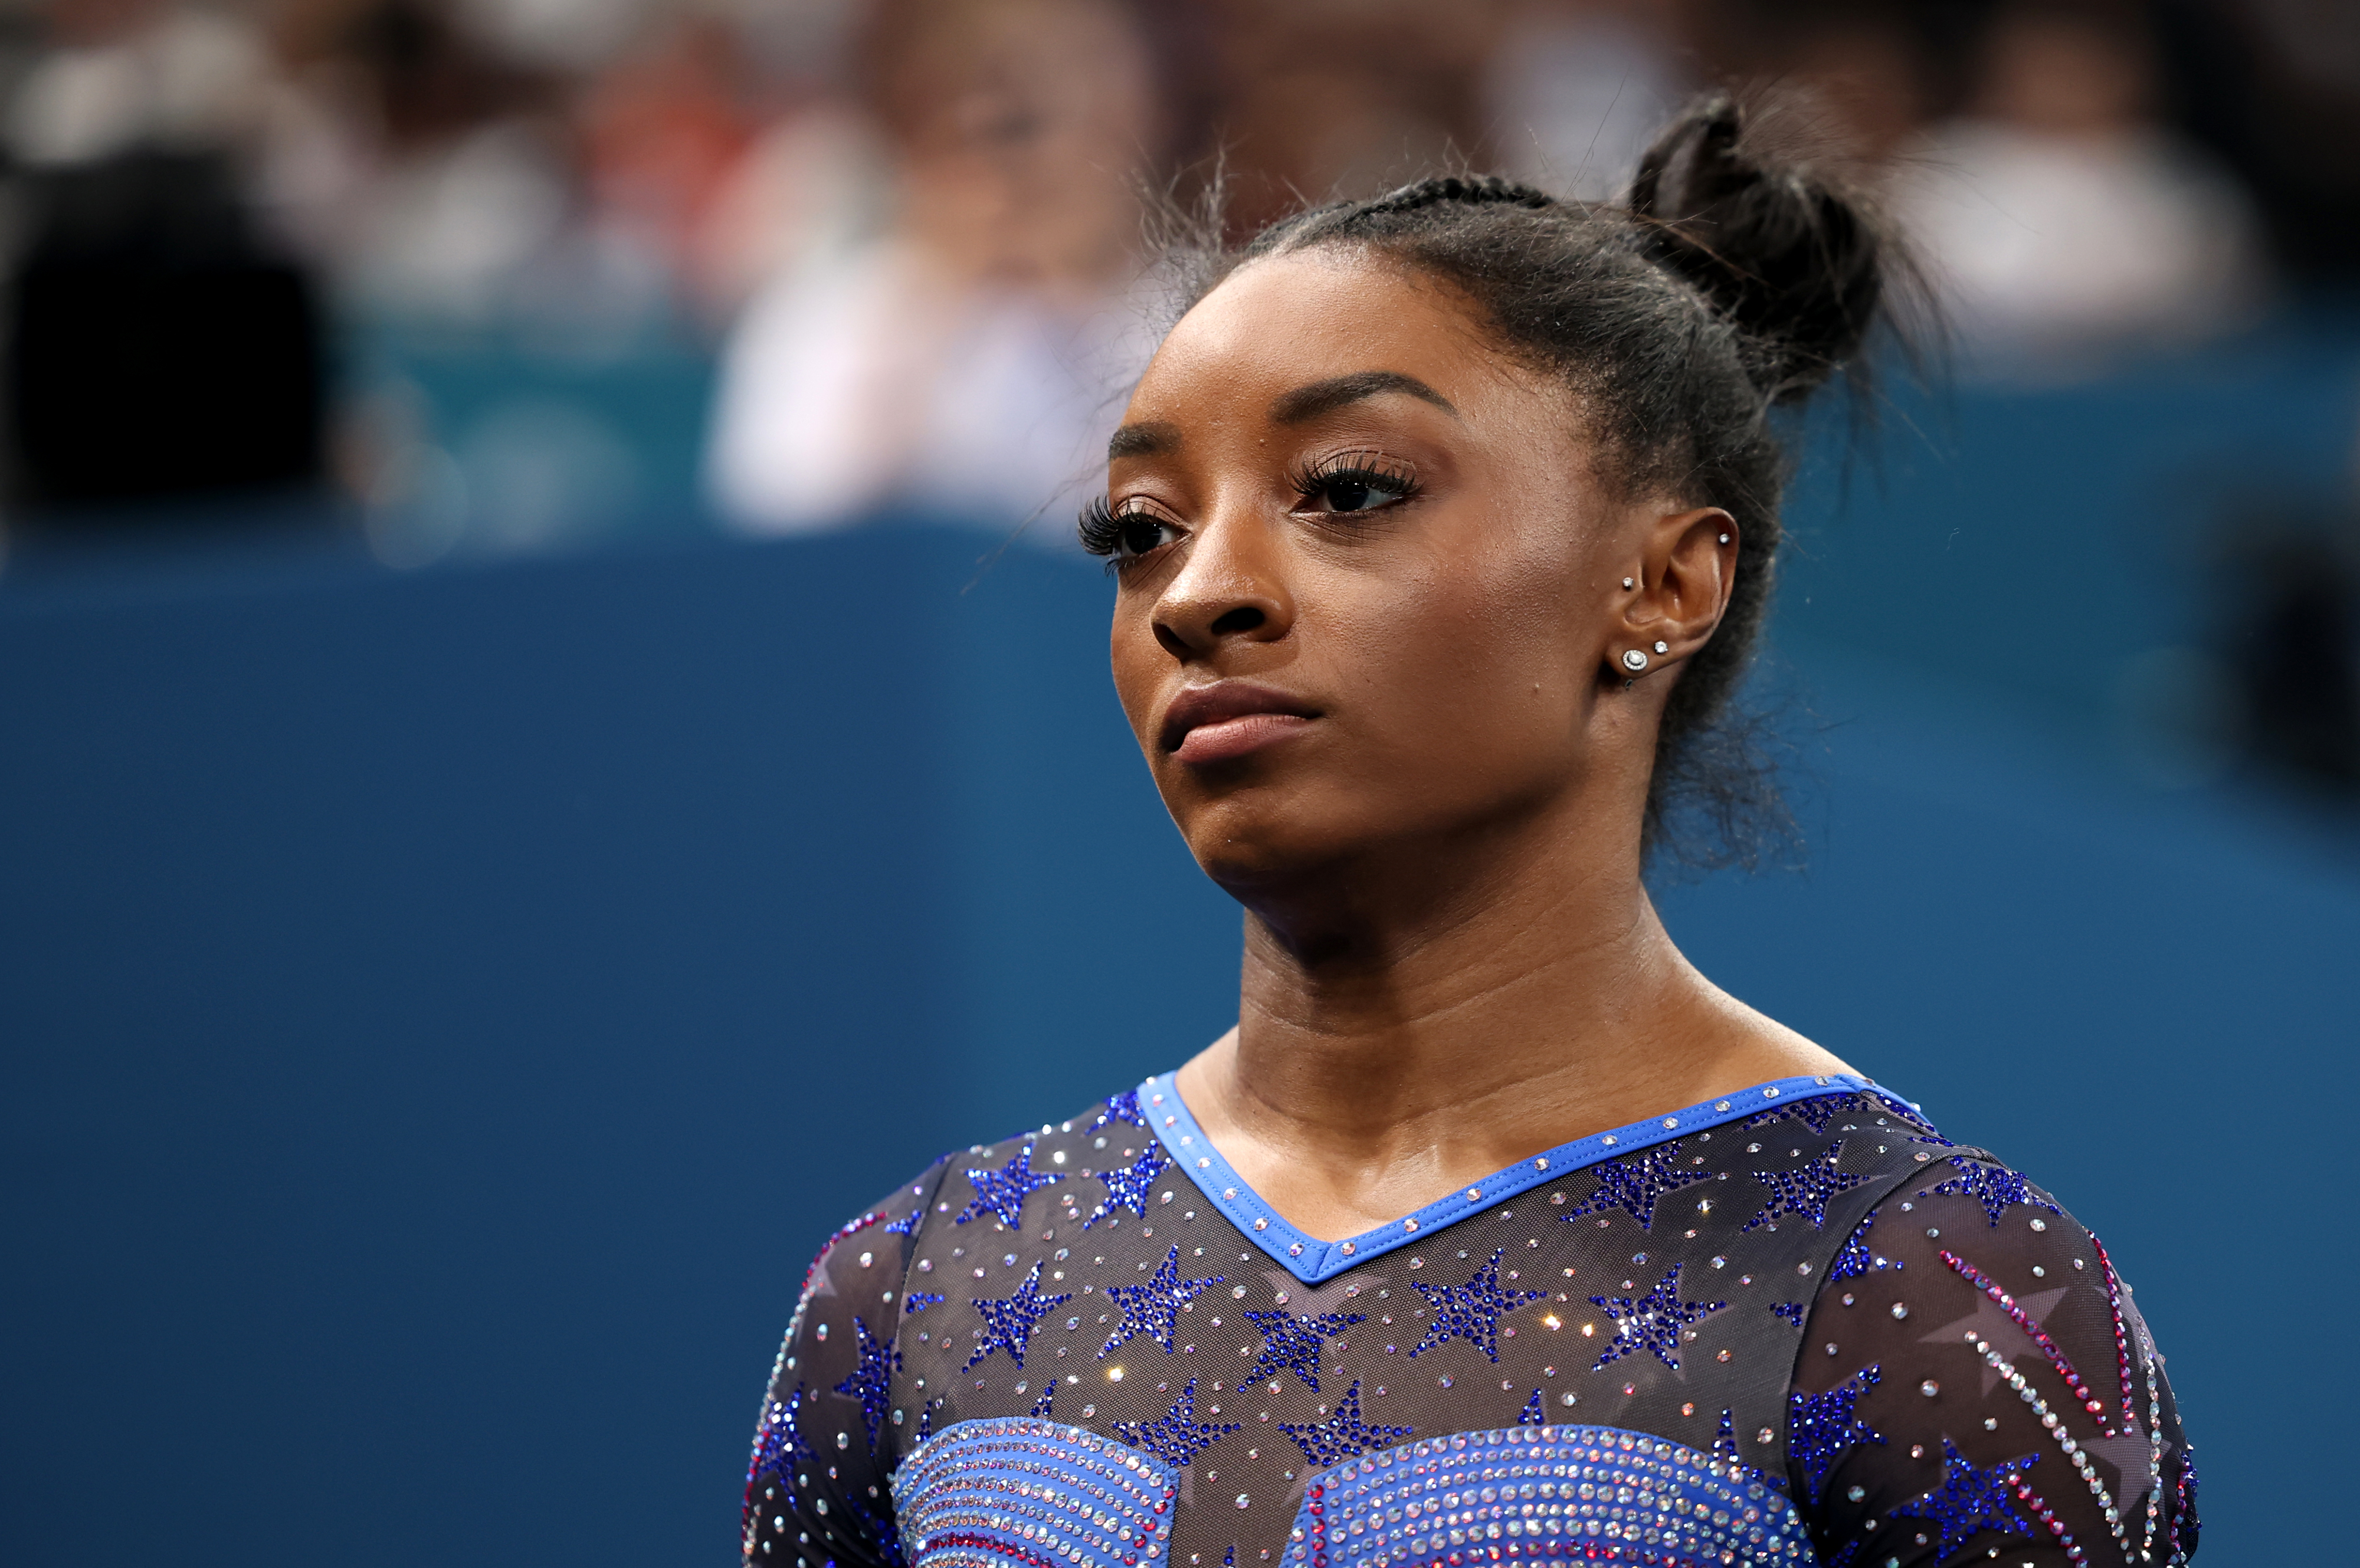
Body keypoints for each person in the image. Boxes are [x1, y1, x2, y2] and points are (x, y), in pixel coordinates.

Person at [742, 97, 2197, 1568]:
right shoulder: (920, 1290)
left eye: (1348, 492)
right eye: (1139, 529)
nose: (1193, 596)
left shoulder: (1925, 1297)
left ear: (1661, 586)